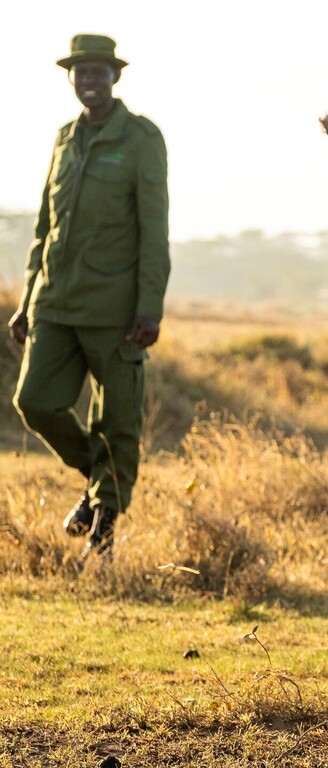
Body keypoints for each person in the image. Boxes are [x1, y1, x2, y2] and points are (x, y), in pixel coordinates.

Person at [7, 34, 170, 558]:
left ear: (115, 77)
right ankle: (102, 479)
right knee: (34, 402)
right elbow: (44, 226)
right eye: (80, 72)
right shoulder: (63, 138)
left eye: (98, 72)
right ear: (71, 78)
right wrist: (28, 299)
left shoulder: (142, 138)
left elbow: (154, 230)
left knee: (118, 420)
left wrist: (149, 307)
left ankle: (103, 531)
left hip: (116, 312)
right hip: (55, 302)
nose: (89, 81)